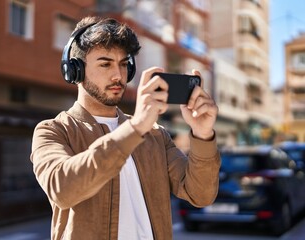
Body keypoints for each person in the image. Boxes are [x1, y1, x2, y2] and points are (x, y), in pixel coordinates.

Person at [31, 16, 221, 240]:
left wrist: (202, 134)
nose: (118, 76)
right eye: (105, 64)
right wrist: (136, 126)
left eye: (123, 64)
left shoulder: (156, 135)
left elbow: (201, 195)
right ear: (75, 70)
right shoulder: (53, 130)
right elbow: (62, 189)